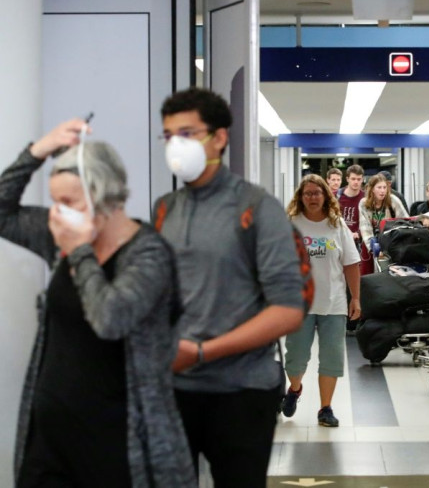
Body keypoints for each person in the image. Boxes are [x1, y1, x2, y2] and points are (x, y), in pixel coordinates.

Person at [1, 120, 196, 487]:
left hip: (118, 440)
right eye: (55, 202)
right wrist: (37, 152)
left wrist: (79, 252)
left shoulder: (149, 253)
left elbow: (110, 318)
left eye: (68, 202)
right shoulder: (59, 233)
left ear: (103, 196)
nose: (57, 214)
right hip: (50, 441)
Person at [153, 87, 306, 487]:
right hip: (174, 390)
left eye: (186, 133)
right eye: (168, 136)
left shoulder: (256, 208)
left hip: (241, 391)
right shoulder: (165, 209)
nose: (175, 145)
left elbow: (288, 309)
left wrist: (203, 351)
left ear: (219, 138)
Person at [281, 175, 361, 427]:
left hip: (333, 303)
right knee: (295, 358)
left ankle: (325, 408)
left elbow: (351, 264)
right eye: (307, 193)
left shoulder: (337, 225)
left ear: (326, 195)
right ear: (300, 197)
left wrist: (355, 298)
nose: (312, 197)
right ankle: (294, 389)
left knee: (331, 359)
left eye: (317, 193)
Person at [358, 173, 409, 266]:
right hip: (372, 243)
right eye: (379, 187)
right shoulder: (363, 203)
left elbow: (405, 222)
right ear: (372, 189)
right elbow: (365, 228)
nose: (382, 191)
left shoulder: (393, 200)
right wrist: (373, 248)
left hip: (392, 242)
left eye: (384, 187)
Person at [337, 164, 372, 275]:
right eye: (353, 179)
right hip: (339, 242)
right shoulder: (336, 197)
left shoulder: (366, 199)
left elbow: (370, 221)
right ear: (347, 179)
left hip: (359, 244)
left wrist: (358, 234)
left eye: (359, 179)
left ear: (362, 179)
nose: (356, 182)